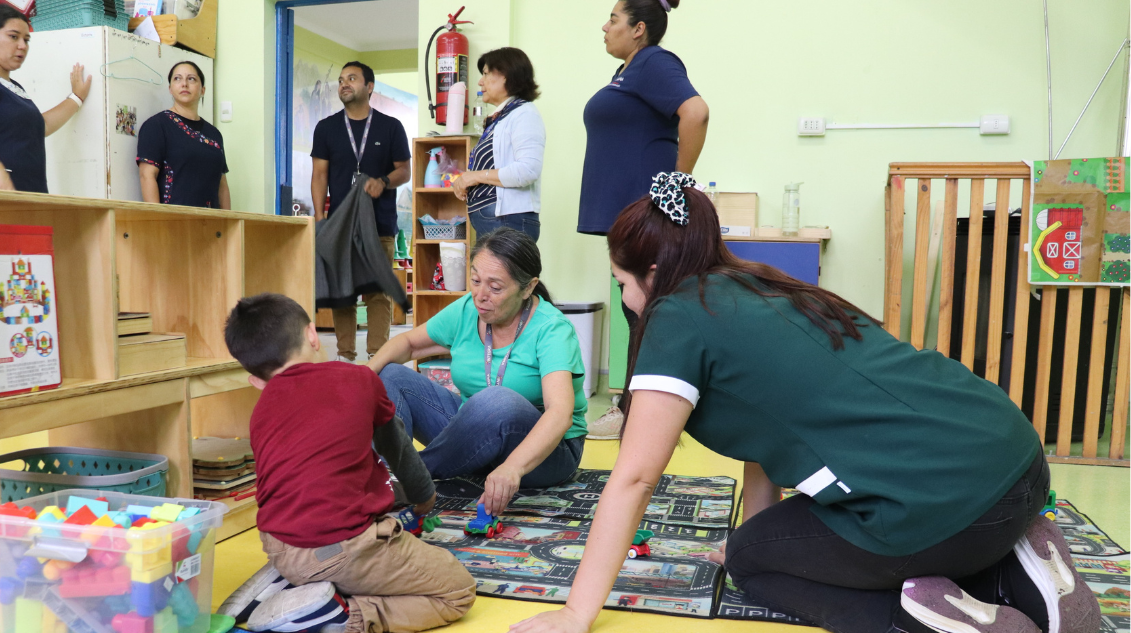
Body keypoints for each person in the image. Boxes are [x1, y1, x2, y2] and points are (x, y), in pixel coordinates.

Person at [511, 173, 1100, 633]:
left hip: (950, 505)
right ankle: (1021, 573)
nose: (626, 300)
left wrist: (576, 613)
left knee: (753, 565)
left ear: (656, 270)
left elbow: (635, 477)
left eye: (621, 282)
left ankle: (932, 620)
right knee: (760, 543)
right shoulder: (753, 283)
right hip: (1015, 460)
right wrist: (757, 530)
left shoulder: (677, 316)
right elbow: (760, 426)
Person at [223, 293, 476, 633]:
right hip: (340, 548)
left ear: (256, 381)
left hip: (279, 544)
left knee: (318, 555)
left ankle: (291, 583)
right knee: (458, 591)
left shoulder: (261, 410)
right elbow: (397, 448)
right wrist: (424, 497)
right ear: (313, 335)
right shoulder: (359, 380)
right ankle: (339, 615)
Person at [367, 228, 587, 515]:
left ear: (528, 287)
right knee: (391, 375)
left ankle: (410, 477)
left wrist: (512, 468)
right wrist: (363, 376)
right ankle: (383, 473)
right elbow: (408, 343)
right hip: (474, 434)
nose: (481, 296)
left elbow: (560, 414)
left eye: (495, 288)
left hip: (546, 451)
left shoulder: (551, 329)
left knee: (496, 400)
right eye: (475, 281)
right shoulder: (468, 309)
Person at [577, 0, 710, 437]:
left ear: (638, 29)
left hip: (644, 212)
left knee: (647, 310)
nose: (604, 26)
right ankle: (639, 410)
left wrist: (679, 181)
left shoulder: (653, 60)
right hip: (627, 215)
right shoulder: (629, 71)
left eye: (613, 19)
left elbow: (696, 111)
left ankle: (641, 414)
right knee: (639, 310)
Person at [311, 61, 412, 362]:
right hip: (339, 227)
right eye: (341, 79)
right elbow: (319, 176)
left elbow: (404, 171)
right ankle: (345, 357)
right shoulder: (327, 128)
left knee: (378, 292)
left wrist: (384, 181)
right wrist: (319, 220)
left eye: (352, 79)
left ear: (369, 87)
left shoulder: (390, 126)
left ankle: (378, 359)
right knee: (343, 293)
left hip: (378, 225)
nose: (344, 84)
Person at [0, 4, 91, 192]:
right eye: (13, 37)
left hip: (24, 197)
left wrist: (76, 98)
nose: (22, 46)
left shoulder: (14, 87)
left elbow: (39, 126)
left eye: (26, 39)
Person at [451, 47, 546, 241]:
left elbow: (528, 170)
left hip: (507, 222)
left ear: (507, 76)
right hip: (496, 222)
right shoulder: (502, 118)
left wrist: (473, 177)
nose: (480, 81)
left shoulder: (524, 113)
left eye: (486, 74)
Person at [137, 61, 230, 209]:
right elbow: (147, 176)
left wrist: (228, 224)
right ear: (170, 89)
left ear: (203, 90)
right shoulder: (157, 126)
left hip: (212, 223)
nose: (184, 84)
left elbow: (222, 185)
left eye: (191, 79)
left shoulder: (214, 134)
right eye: (177, 78)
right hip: (173, 221)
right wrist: (157, 219)